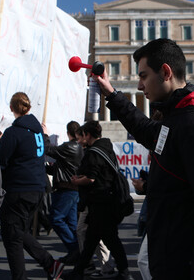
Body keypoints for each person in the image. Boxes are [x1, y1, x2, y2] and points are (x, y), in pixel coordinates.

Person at [95, 38, 194, 280]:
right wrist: (112, 94)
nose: (139, 85)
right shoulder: (177, 118)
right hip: (172, 254)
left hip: (184, 263)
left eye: (143, 76)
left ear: (166, 72)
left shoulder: (193, 124)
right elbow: (146, 130)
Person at [0, 92, 63, 280]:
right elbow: (15, 145)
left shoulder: (15, 131)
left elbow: (2, 158)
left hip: (19, 189)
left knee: (12, 237)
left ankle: (31, 272)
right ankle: (50, 264)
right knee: (16, 232)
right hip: (36, 188)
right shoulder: (35, 131)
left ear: (12, 108)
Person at [64, 120, 131, 280]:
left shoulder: (94, 152)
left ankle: (124, 272)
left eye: (83, 135)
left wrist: (76, 181)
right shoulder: (107, 148)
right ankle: (80, 271)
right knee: (92, 240)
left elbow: (92, 178)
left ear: (88, 135)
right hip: (106, 200)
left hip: (100, 202)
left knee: (108, 240)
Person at [43, 121, 83, 265]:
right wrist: (46, 169)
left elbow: (48, 149)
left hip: (66, 189)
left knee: (56, 218)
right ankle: (75, 253)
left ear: (68, 133)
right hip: (71, 188)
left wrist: (45, 134)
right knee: (71, 223)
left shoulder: (70, 146)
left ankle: (75, 249)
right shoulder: (76, 148)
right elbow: (62, 168)